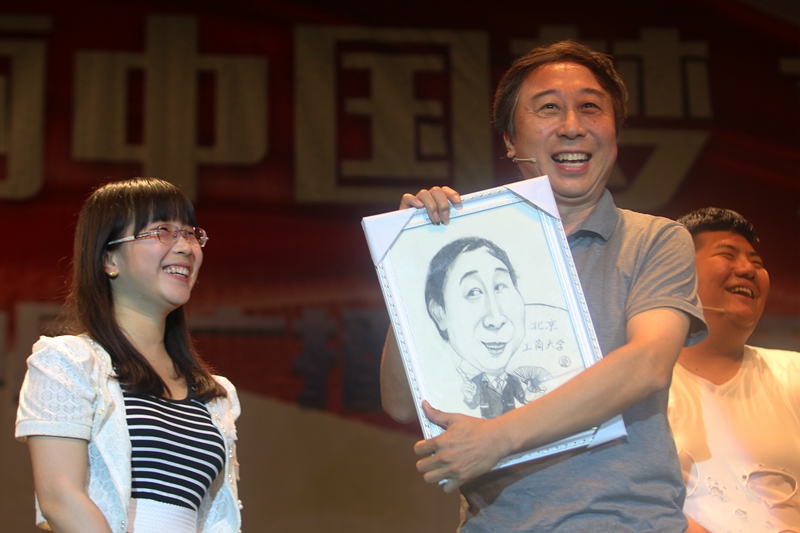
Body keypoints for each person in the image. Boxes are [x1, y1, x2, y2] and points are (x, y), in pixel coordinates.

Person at [380, 40, 708, 531]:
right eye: (549, 108)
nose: (572, 125)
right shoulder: (470, 248)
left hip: (626, 521)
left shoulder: (655, 240)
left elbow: (647, 365)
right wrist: (411, 260)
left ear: (615, 133)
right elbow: (402, 404)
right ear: (510, 141)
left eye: (591, 107)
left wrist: (499, 437)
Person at [15, 178, 242, 533]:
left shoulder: (215, 395)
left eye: (190, 233)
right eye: (162, 231)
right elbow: (60, 499)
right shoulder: (69, 363)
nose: (185, 247)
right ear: (109, 258)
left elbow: (215, 520)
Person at [668, 208, 800, 532]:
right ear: (678, 272)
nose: (748, 270)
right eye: (727, 255)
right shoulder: (635, 383)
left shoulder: (793, 373)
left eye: (756, 262)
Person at [425, 237, 533, 418]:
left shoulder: (516, 380)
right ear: (439, 314)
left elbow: (523, 397)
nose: (496, 319)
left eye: (500, 286)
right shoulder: (463, 384)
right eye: (473, 292)